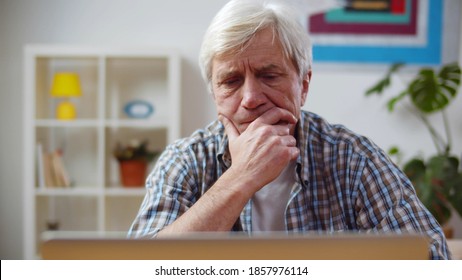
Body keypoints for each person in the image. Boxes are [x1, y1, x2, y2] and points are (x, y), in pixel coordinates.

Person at [128, 0, 450, 259]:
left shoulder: (352, 159)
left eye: (269, 76)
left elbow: (433, 258)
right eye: (231, 81)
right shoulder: (185, 160)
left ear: (304, 85)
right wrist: (240, 177)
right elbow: (138, 268)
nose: (251, 98)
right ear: (214, 93)